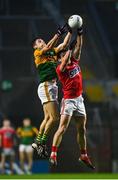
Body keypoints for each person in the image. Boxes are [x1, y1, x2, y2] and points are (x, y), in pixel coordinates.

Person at [49, 26, 95, 169]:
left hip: (79, 100)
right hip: (68, 101)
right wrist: (68, 48)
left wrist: (80, 33)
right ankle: (53, 153)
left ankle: (83, 155)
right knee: (62, 128)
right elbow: (64, 61)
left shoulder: (74, 62)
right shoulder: (60, 69)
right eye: (62, 54)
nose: (65, 55)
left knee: (82, 129)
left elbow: (79, 47)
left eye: (65, 53)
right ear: (59, 58)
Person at [32, 24, 72, 157]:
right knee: (54, 118)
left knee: (48, 117)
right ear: (35, 47)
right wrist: (57, 34)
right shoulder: (38, 54)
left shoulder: (52, 52)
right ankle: (41, 142)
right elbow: (49, 47)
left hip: (51, 87)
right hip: (46, 86)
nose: (41, 42)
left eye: (42, 40)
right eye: (39, 42)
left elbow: (64, 44)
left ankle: (37, 141)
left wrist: (71, 31)